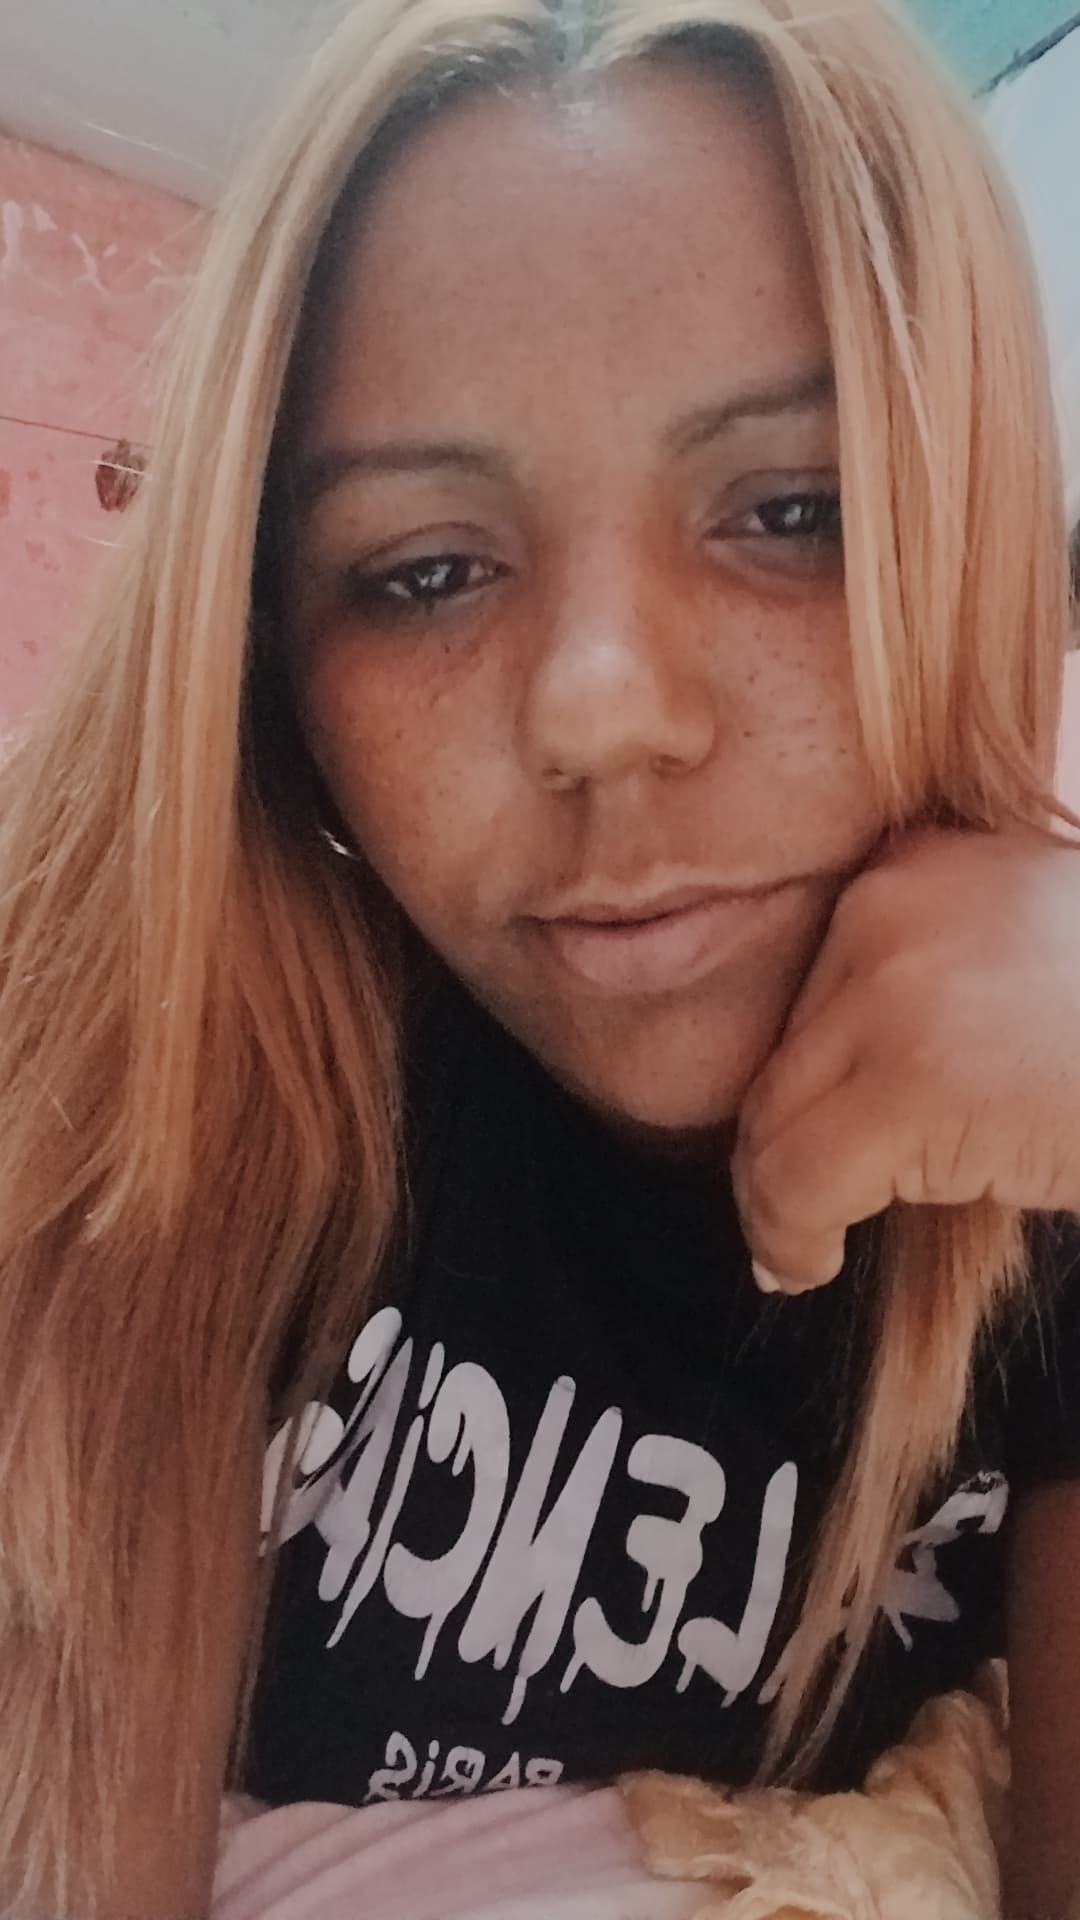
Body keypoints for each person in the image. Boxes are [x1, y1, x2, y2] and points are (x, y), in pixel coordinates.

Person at [1, 1, 1078, 1915]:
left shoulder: (1047, 1180)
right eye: (423, 572)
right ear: (270, 663)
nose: (600, 712)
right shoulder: (127, 1114)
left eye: (795, 513)